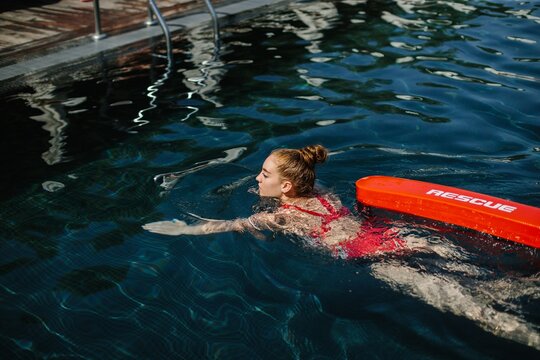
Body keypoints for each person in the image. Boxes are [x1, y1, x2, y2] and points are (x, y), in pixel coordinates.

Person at [142, 144, 405, 258]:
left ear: (287, 186)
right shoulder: (320, 191)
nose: (256, 178)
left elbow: (228, 225)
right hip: (384, 234)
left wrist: (184, 229)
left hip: (364, 253)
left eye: (265, 174)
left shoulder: (278, 217)